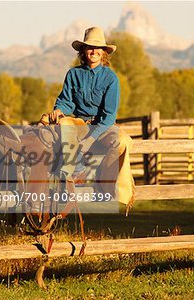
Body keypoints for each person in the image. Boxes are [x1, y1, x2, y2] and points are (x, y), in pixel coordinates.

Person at [48, 26, 135, 209]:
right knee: (64, 122)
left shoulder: (111, 78)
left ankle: (105, 182)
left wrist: (90, 139)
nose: (93, 51)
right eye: (89, 47)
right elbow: (66, 101)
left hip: (103, 126)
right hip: (80, 122)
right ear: (83, 51)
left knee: (123, 141)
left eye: (98, 48)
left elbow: (109, 115)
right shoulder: (73, 74)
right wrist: (59, 110)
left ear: (104, 52)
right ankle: (77, 171)